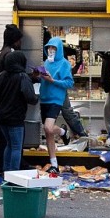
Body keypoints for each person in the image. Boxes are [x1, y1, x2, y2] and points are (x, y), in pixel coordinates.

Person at [0, 50, 39, 173]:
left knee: (9, 144)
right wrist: (38, 97)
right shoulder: (22, 77)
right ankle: (14, 174)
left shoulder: (2, 75)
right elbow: (30, 98)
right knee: (17, 147)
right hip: (15, 117)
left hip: (1, 117)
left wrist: (0, 107)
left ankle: (7, 172)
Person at [0, 24, 24, 183]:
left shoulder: (2, 53)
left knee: (4, 141)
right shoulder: (9, 55)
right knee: (12, 144)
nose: (20, 43)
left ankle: (2, 170)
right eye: (19, 40)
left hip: (2, 106)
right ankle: (9, 173)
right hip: (10, 107)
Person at [38, 36, 75, 174]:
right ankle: (54, 163)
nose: (51, 50)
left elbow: (69, 83)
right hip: (44, 99)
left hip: (56, 100)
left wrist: (53, 81)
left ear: (59, 49)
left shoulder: (65, 64)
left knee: (48, 128)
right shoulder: (46, 62)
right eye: (49, 48)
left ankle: (62, 132)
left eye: (54, 48)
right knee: (48, 132)